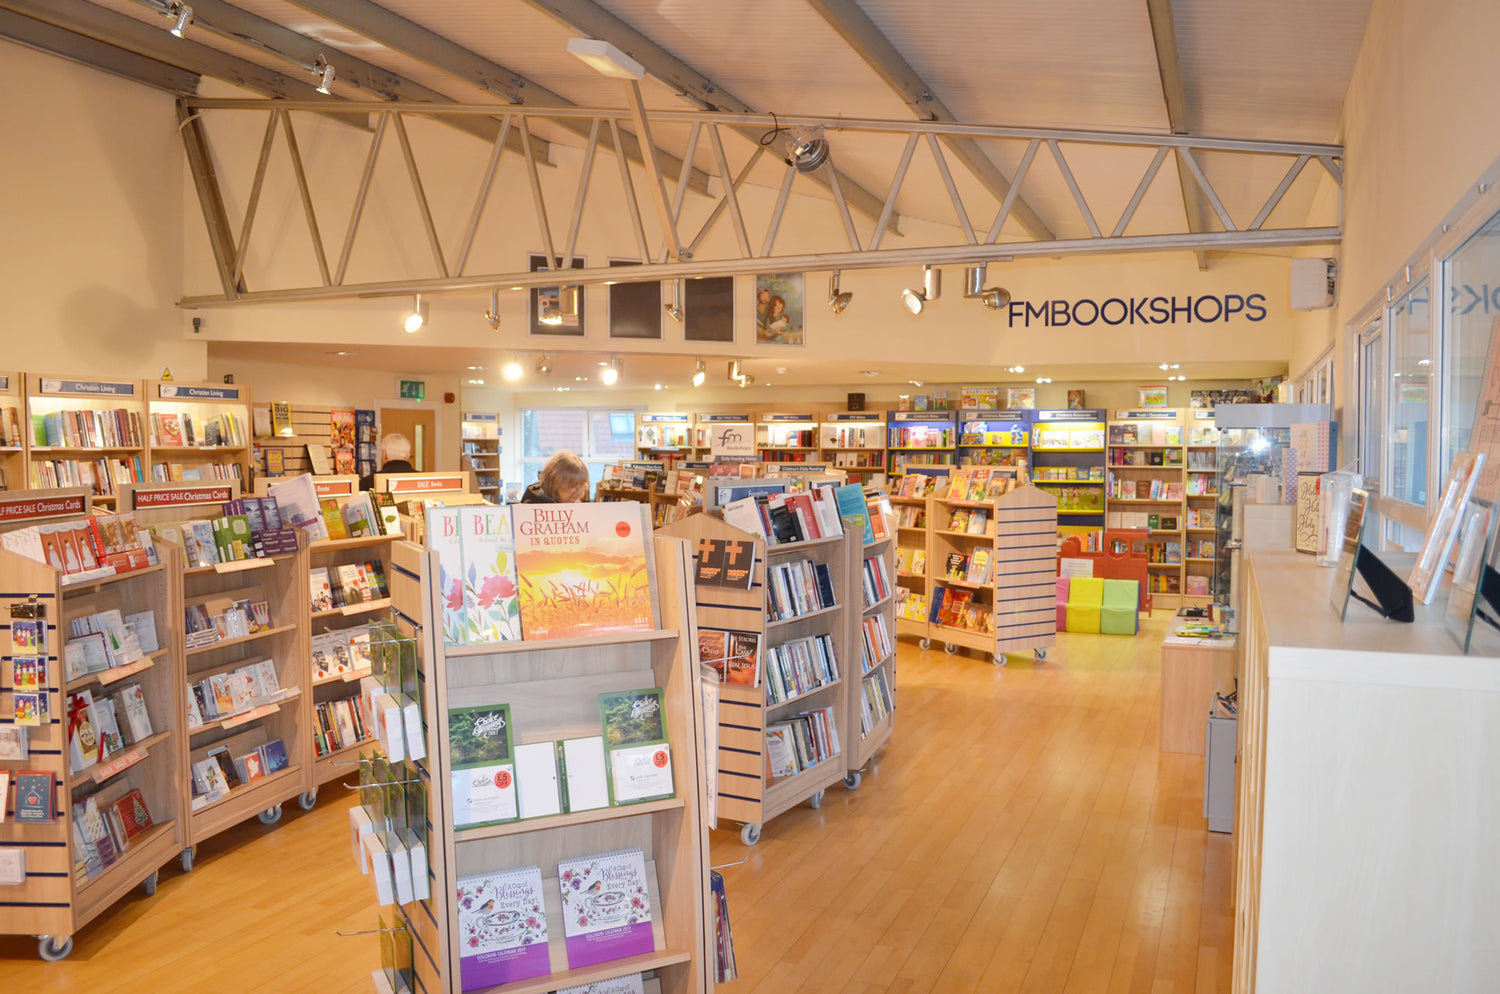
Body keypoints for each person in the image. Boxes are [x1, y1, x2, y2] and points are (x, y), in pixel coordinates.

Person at [521, 450, 590, 503]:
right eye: (573, 486)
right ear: (554, 484)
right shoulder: (533, 508)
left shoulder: (569, 503)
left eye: (582, 485)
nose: (580, 494)